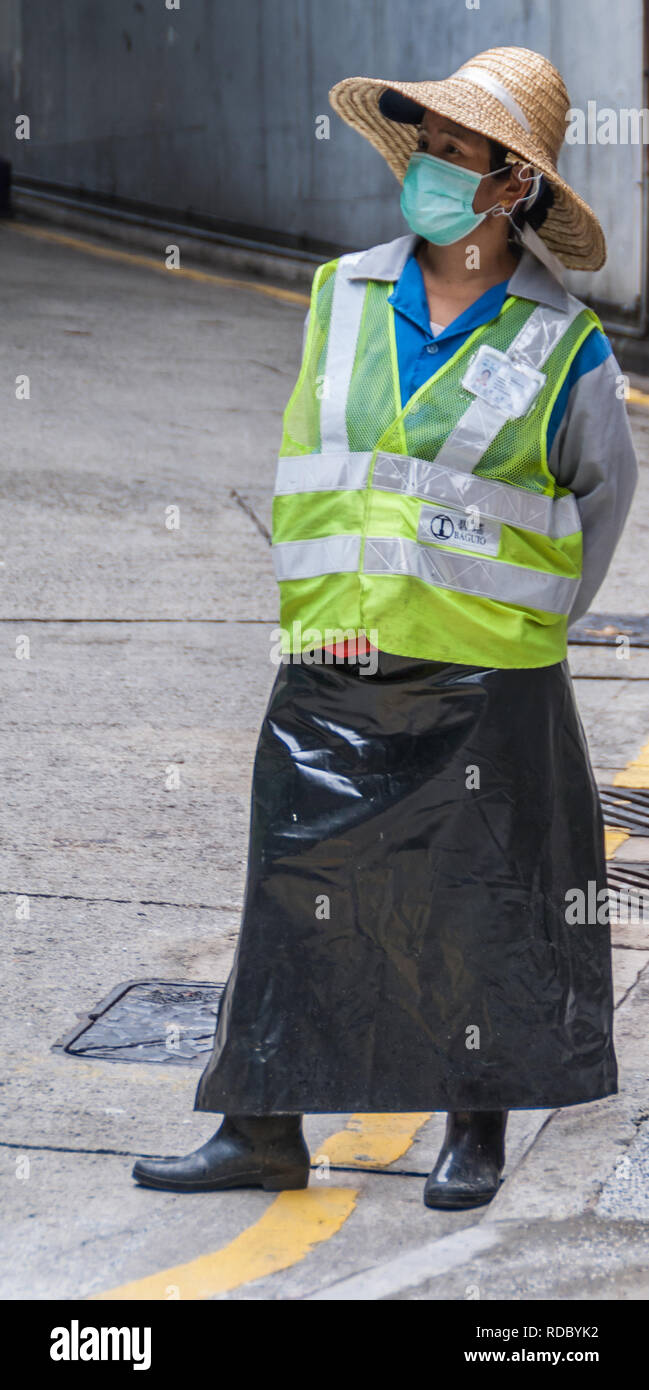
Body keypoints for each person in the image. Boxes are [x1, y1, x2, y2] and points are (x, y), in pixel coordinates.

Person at [132, 46, 638, 1210]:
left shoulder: (566, 347)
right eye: (427, 144)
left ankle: (474, 1128)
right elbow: (324, 462)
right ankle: (259, 1124)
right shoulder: (341, 293)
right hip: (338, 652)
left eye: (457, 151)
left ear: (514, 183)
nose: (429, 168)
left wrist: (507, 621)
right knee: (296, 883)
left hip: (483, 676)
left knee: (479, 899)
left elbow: (598, 503)